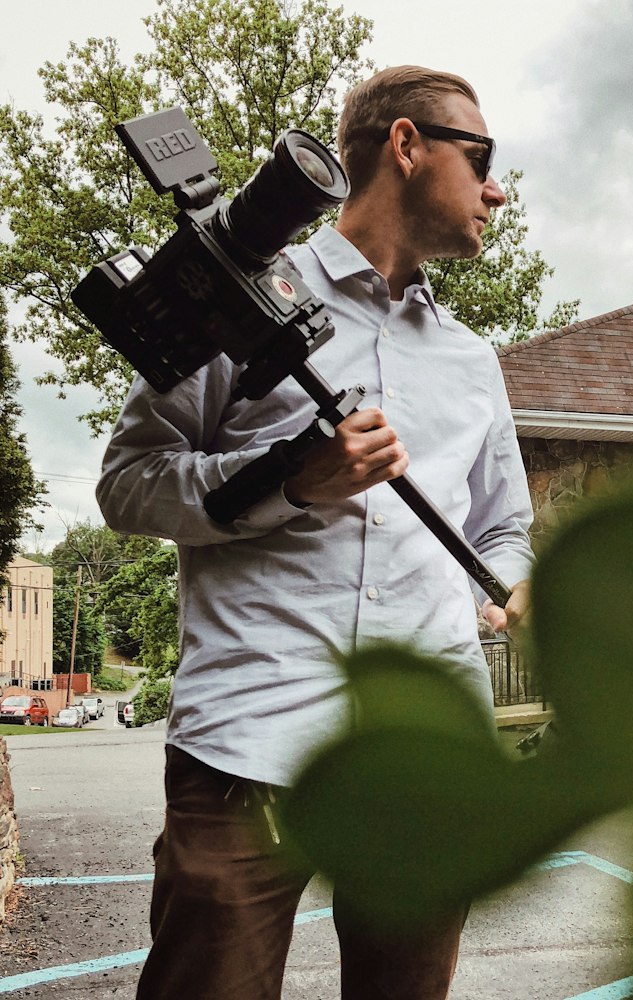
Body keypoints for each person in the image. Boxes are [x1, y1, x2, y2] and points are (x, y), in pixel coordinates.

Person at [97, 64, 534, 1000]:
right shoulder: (237, 296)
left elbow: (505, 530)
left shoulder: (471, 362)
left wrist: (512, 583)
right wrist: (289, 482)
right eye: (484, 157)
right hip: (250, 742)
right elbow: (127, 485)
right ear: (407, 147)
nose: (497, 188)